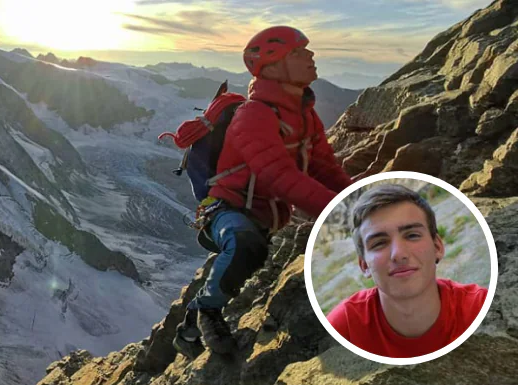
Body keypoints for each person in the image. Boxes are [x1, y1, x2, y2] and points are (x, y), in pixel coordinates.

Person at [172, 26, 353, 358]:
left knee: (243, 258)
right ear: (272, 66)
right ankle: (207, 313)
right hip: (225, 210)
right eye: (299, 53)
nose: (311, 56)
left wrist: (358, 198)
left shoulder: (304, 115)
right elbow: (278, 177)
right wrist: (341, 211)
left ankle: (186, 332)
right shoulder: (253, 116)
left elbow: (323, 167)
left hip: (263, 215)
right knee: (244, 244)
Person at [327, 184, 488, 358]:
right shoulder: (345, 327)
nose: (399, 254)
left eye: (412, 235)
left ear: (437, 247)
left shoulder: (480, 308)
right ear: (364, 265)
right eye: (379, 243)